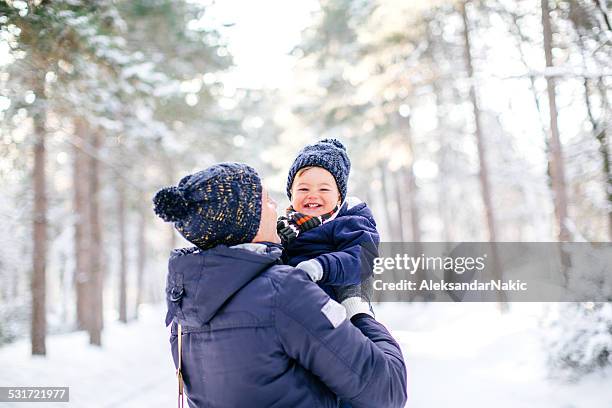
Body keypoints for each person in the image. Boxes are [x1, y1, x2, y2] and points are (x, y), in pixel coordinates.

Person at [153, 162, 407, 408]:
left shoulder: (186, 305)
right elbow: (388, 389)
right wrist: (359, 312)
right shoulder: (284, 291)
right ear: (246, 220)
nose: (275, 205)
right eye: (264, 201)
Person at [278, 138, 379, 304]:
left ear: (339, 195)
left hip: (338, 307)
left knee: (362, 320)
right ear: (291, 192)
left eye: (323, 189)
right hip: (292, 307)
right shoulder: (284, 227)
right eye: (303, 188)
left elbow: (363, 258)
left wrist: (321, 267)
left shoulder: (349, 220)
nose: (313, 195)